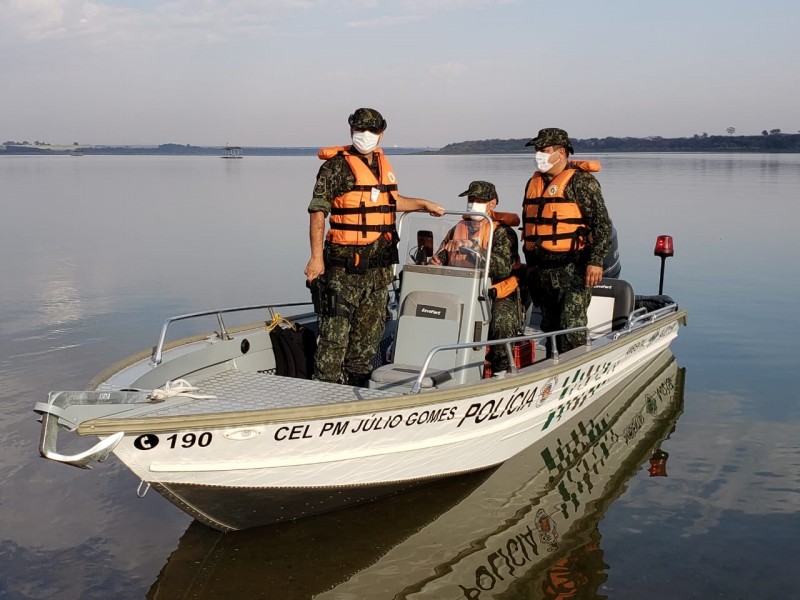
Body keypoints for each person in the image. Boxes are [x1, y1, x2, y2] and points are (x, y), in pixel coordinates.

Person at [305, 107, 445, 386]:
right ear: (350, 131)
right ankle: (323, 395)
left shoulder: (382, 165)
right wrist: (316, 258)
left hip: (378, 272)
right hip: (343, 271)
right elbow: (318, 212)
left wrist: (422, 204)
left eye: (371, 130)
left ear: (382, 133)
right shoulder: (335, 167)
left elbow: (390, 202)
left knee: (367, 340)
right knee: (334, 340)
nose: (365, 135)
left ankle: (357, 392)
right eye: (359, 129)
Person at [521, 128, 612, 354]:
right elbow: (530, 227)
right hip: (542, 271)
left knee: (570, 329)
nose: (538, 155)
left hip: (574, 268)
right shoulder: (533, 184)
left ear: (561, 152)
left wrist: (596, 261)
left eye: (544, 149)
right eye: (536, 149)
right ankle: (551, 370)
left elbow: (602, 224)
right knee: (549, 327)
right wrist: (530, 265)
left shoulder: (581, 182)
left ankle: (576, 371)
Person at [430, 180, 524, 374]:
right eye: (471, 199)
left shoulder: (503, 233)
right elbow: (443, 253)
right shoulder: (457, 227)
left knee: (501, 321)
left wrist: (473, 247)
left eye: (479, 200)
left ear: (492, 204)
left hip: (494, 292)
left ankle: (501, 370)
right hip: (460, 289)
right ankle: (439, 364)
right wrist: (436, 261)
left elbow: (502, 268)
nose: (473, 204)